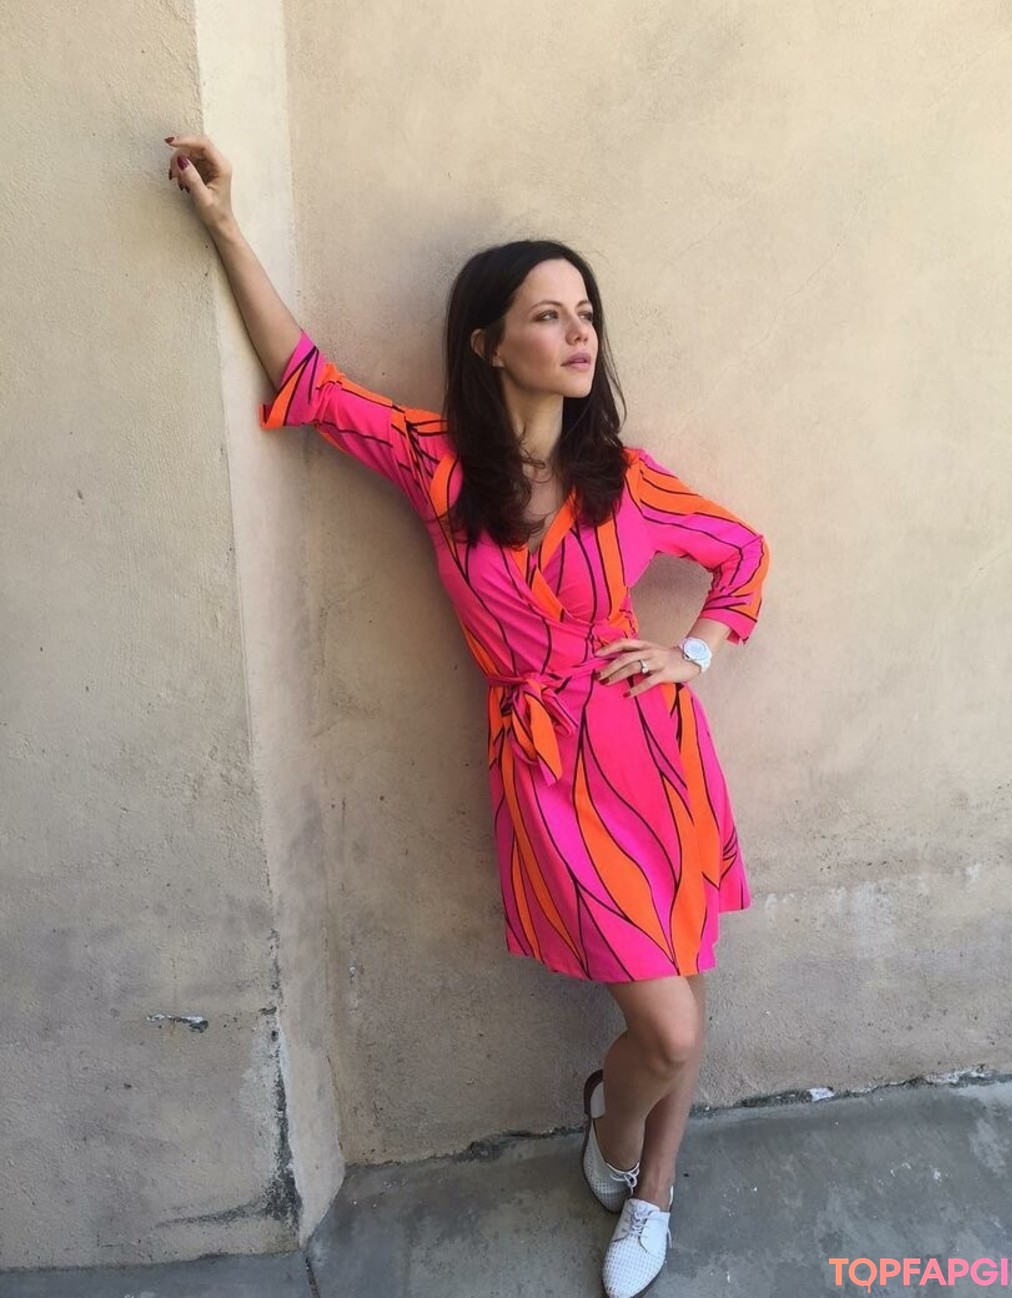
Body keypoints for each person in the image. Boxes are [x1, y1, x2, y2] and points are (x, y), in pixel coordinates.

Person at [164, 133, 770, 1298]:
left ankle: (651, 1187)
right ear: (489, 343)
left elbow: (742, 553)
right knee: (669, 1027)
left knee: (684, 983)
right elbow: (306, 380)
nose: (580, 333)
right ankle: (607, 1127)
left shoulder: (625, 478)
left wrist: (691, 652)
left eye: (586, 313)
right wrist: (224, 223)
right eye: (549, 315)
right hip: (544, 767)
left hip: (655, 749)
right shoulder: (440, 467)